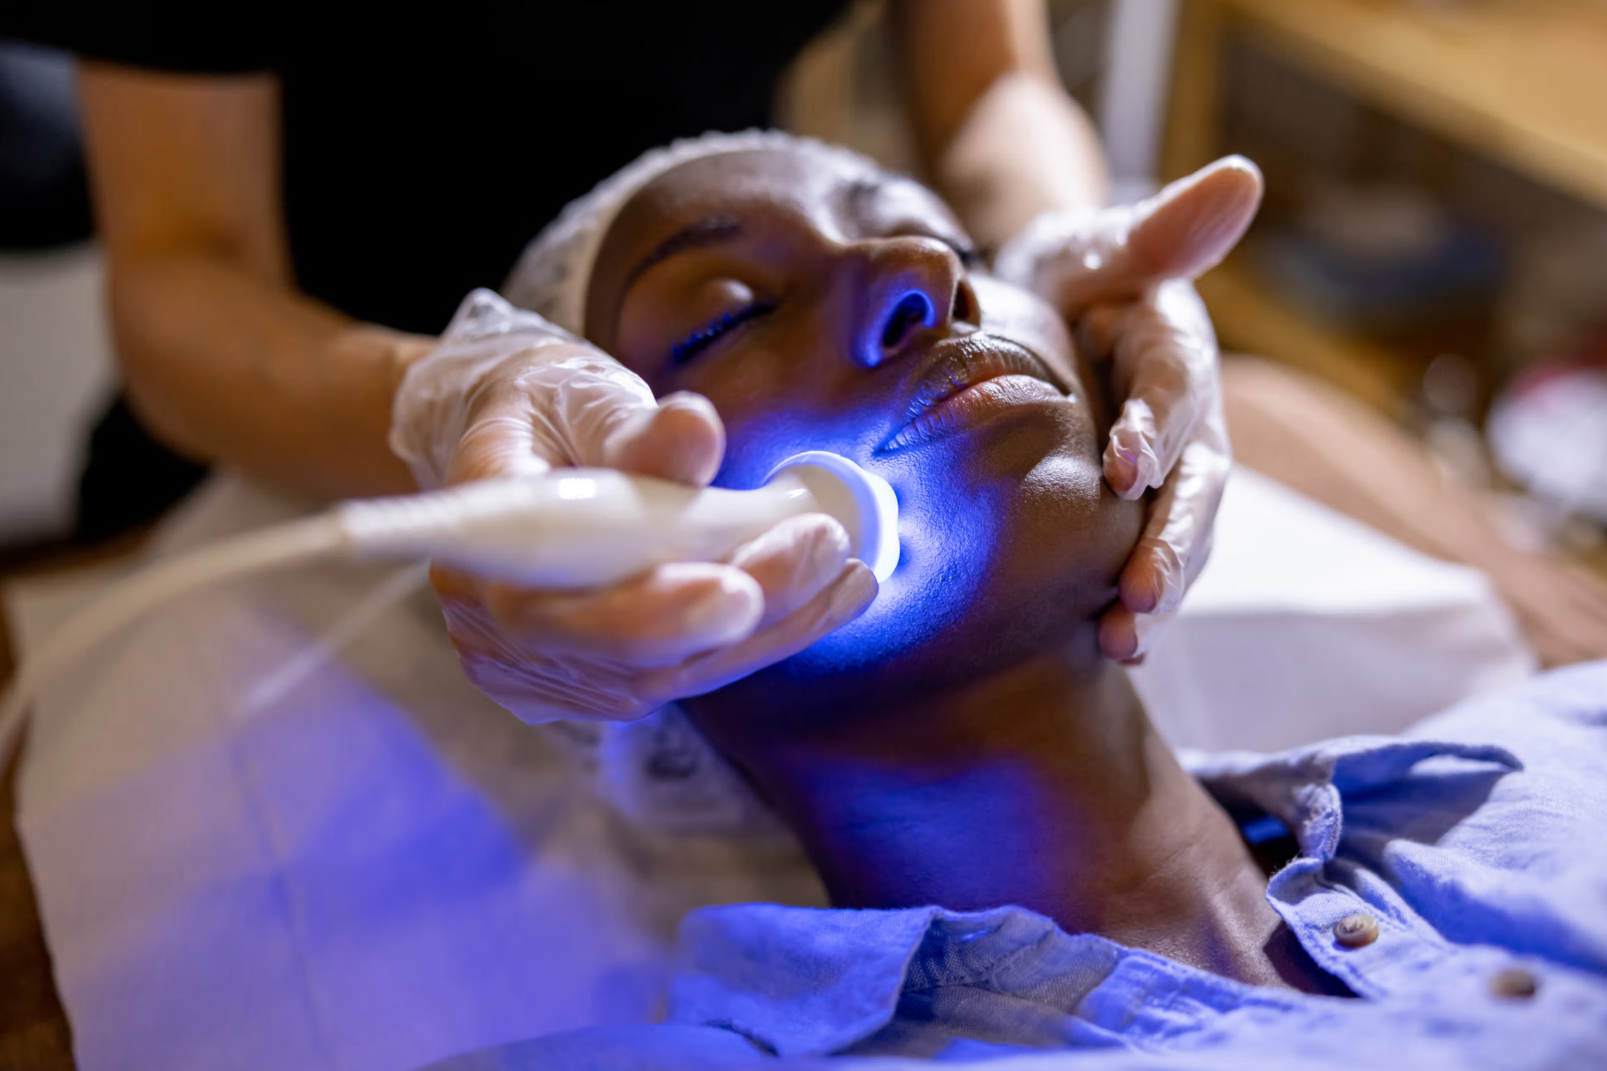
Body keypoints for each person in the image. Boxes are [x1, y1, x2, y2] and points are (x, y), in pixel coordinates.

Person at [416, 132, 1607, 1068]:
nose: (923, 273)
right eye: (729, 313)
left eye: (953, 243)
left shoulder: (1564, 740)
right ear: (620, 599)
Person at [14, 0, 1232, 721]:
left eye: (926, 235)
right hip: (298, 422)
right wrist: (444, 403)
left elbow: (987, 88)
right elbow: (183, 264)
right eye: (719, 315)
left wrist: (1062, 253)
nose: (927, 275)